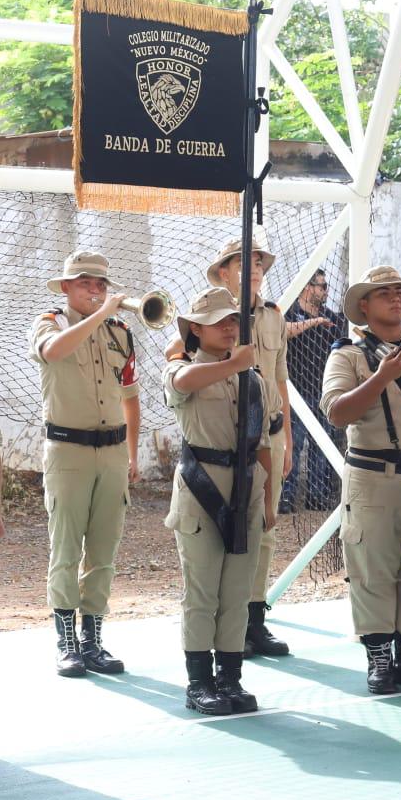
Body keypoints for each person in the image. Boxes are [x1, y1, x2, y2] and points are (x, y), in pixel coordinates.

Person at [320, 266, 401, 694]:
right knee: (373, 569)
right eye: (384, 293)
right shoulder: (349, 355)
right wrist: (380, 378)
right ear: (364, 305)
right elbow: (336, 412)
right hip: (374, 475)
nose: (396, 298)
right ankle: (379, 657)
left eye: (399, 292)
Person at [163, 287, 275, 715]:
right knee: (203, 590)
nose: (230, 327)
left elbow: (262, 442)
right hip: (201, 486)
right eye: (219, 321)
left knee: (236, 591)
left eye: (234, 320)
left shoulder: (252, 378)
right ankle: (199, 682)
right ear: (196, 328)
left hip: (246, 487)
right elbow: (182, 384)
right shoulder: (183, 368)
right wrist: (233, 364)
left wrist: (270, 500)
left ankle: (230, 677)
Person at [30, 251, 141, 677]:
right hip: (68, 451)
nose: (95, 290)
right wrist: (100, 315)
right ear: (65, 287)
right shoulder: (50, 323)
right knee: (65, 548)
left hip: (112, 452)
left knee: (103, 550)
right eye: (84, 282)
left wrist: (132, 454)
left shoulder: (120, 332)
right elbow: (54, 352)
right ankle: (66, 642)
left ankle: (93, 640)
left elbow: (130, 397)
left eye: (101, 284)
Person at [201, 237, 292, 660]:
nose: (254, 269)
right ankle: (225, 623)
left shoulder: (273, 316)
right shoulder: (210, 314)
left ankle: (255, 621)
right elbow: (180, 356)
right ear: (223, 273)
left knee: (265, 528)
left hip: (268, 434)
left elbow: (280, 378)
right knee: (220, 530)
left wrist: (287, 436)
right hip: (226, 436)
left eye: (258, 262)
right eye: (243, 262)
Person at [283, 270, 345, 513]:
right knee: (293, 446)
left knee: (322, 447)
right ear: (307, 287)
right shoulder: (288, 313)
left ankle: (316, 497)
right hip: (295, 393)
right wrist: (314, 322)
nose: (326, 291)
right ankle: (285, 498)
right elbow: (283, 331)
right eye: (322, 286)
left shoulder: (331, 318)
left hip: (323, 394)